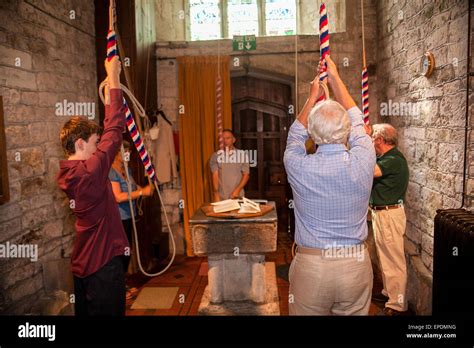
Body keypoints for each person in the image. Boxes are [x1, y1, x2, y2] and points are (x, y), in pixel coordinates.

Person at [284, 56, 376, 315]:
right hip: (354, 265)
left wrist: (312, 96)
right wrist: (334, 78)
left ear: (312, 134)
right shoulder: (364, 158)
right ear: (347, 131)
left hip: (313, 267)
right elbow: (358, 119)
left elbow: (294, 136)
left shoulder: (297, 164)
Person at [57, 56, 129, 316]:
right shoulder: (90, 172)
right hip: (102, 264)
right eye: (94, 142)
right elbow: (115, 130)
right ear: (79, 144)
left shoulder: (68, 172)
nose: (98, 146)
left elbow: (109, 132)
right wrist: (113, 77)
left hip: (83, 263)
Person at [370, 123, 409, 316]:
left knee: (394, 260)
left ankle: (397, 305)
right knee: (384, 256)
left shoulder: (393, 159)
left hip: (389, 214)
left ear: (380, 140)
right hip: (382, 213)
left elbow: (371, 172)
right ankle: (389, 294)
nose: (371, 141)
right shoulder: (386, 157)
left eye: (372, 137)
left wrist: (363, 148)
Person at [109, 140, 153, 299]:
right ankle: (118, 288)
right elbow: (118, 197)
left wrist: (146, 189)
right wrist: (142, 194)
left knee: (127, 252)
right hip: (119, 218)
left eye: (129, 151)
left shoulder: (128, 170)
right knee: (121, 253)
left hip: (130, 216)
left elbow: (134, 189)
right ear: (116, 154)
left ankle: (122, 284)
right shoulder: (111, 172)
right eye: (124, 151)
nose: (128, 154)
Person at [209, 129, 250, 202]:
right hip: (221, 197)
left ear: (233, 140)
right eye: (223, 139)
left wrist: (237, 191)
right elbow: (215, 175)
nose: (225, 141)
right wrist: (216, 193)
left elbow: (246, 175)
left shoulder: (242, 155)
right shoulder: (215, 156)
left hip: (237, 195)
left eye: (228, 138)